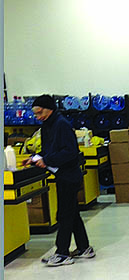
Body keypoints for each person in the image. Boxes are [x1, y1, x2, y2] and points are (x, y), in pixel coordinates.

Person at [23, 95, 95, 267]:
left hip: (69, 176)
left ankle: (62, 253)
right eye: (35, 114)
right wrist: (35, 158)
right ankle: (84, 248)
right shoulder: (48, 125)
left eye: (40, 112)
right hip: (62, 175)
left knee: (64, 215)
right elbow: (50, 150)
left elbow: (70, 152)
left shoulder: (61, 124)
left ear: (50, 108)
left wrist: (47, 161)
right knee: (72, 213)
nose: (38, 117)